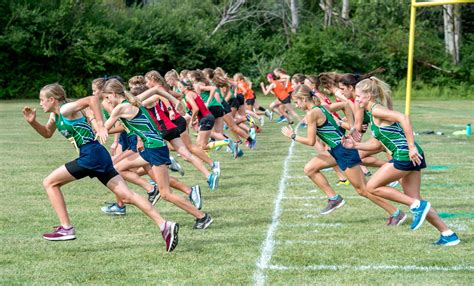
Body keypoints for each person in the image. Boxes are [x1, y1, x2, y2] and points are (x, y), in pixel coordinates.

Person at [22, 83, 179, 252]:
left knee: (50, 182)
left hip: (91, 155)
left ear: (52, 99)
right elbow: (47, 133)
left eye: (42, 100)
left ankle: (66, 228)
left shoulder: (67, 108)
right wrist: (33, 122)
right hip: (98, 154)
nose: (40, 104)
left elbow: (92, 99)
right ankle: (164, 225)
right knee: (127, 196)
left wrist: (101, 124)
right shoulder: (55, 116)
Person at [342, 77, 460, 245]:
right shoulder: (372, 113)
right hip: (411, 155)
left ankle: (415, 205)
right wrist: (355, 145)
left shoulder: (376, 110)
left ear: (368, 96)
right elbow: (377, 144)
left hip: (406, 154)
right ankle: (448, 234)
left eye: (359, 96)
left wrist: (411, 146)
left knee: (372, 187)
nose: (356, 99)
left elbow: (403, 117)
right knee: (416, 199)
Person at [281, 85, 405, 225]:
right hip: (336, 150)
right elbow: (345, 105)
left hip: (343, 151)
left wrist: (292, 136)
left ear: (304, 99)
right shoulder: (322, 108)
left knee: (363, 190)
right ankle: (334, 198)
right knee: (309, 168)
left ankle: (396, 213)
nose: (296, 105)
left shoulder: (312, 114)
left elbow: (311, 141)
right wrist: (352, 127)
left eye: (297, 102)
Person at [101, 78, 213, 230]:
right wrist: (175, 100)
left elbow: (104, 129)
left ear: (113, 94)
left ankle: (202, 217)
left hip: (155, 148)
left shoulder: (120, 108)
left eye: (107, 97)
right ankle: (152, 189)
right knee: (119, 168)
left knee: (165, 193)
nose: (106, 101)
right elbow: (156, 90)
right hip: (149, 148)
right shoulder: (133, 101)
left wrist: (92, 118)